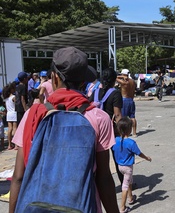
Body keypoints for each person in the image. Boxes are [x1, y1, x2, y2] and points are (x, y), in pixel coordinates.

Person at [9, 46, 119, 213]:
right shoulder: (99, 117)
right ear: (83, 82)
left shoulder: (33, 115)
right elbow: (103, 178)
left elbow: (18, 176)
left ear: (53, 78)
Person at [89, 67, 124, 184]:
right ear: (114, 80)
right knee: (118, 158)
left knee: (98, 161)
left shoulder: (95, 92)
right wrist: (122, 133)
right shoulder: (115, 94)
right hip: (111, 130)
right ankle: (125, 184)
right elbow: (117, 114)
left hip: (94, 130)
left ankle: (96, 184)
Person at [112, 117, 152, 213]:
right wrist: (147, 158)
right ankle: (122, 208)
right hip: (127, 167)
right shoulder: (131, 143)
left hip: (120, 166)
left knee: (129, 181)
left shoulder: (115, 140)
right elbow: (139, 153)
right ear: (130, 129)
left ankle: (131, 198)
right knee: (125, 186)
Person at [117, 69, 138, 137]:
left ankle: (124, 132)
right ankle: (134, 133)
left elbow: (114, 77)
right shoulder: (132, 81)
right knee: (132, 117)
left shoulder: (124, 82)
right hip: (131, 99)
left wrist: (121, 77)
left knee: (123, 118)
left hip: (124, 99)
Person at [3, 82, 17, 150]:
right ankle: (16, 145)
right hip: (14, 113)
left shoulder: (6, 99)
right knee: (15, 128)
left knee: (9, 129)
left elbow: (6, 107)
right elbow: (17, 105)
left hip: (8, 114)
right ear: (11, 89)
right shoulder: (13, 97)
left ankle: (9, 144)